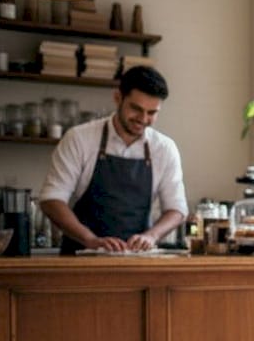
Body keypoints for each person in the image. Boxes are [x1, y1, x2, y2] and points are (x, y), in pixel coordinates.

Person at [38, 65, 187, 253]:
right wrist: (90, 240)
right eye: (136, 108)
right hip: (81, 256)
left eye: (152, 113)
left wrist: (152, 236)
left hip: (136, 260)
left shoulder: (164, 149)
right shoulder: (79, 138)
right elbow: (52, 200)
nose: (143, 119)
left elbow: (177, 209)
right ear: (118, 98)